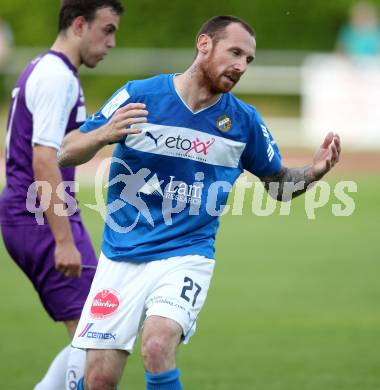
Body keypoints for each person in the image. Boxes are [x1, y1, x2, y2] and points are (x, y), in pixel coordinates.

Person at [59, 15, 341, 390]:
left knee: (158, 344)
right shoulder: (140, 96)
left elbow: (278, 186)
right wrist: (104, 134)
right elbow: (66, 151)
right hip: (120, 256)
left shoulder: (244, 123)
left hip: (186, 256)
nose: (241, 65)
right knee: (98, 380)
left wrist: (314, 172)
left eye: (248, 60)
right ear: (204, 44)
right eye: (235, 52)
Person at [0, 1, 123, 389]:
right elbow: (43, 160)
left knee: (100, 330)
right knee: (97, 338)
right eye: (107, 29)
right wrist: (64, 241)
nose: (112, 42)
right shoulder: (57, 78)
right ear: (80, 24)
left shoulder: (48, 69)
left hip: (36, 215)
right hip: (37, 219)